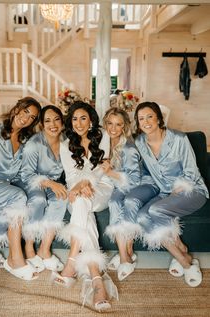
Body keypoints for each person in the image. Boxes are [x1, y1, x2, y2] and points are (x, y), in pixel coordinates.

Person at [134, 101, 209, 287]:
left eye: (150, 116)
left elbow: (192, 171)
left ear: (159, 118)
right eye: (141, 118)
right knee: (142, 216)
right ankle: (182, 251)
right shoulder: (139, 142)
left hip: (192, 189)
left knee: (157, 211)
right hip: (165, 193)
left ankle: (186, 264)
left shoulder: (178, 139)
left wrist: (179, 186)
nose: (146, 122)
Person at [53, 101, 118, 312]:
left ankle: (71, 261)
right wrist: (79, 186)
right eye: (74, 119)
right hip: (78, 191)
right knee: (81, 204)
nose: (79, 123)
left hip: (102, 188)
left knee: (83, 200)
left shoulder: (103, 137)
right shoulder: (65, 146)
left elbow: (102, 168)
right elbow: (71, 177)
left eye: (83, 118)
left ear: (91, 121)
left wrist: (86, 182)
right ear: (70, 123)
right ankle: (97, 280)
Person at [0, 96, 41, 280]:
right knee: (18, 197)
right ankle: (16, 260)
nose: (26, 118)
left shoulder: (25, 141)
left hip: (5, 188)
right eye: (25, 111)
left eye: (32, 117)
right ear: (16, 109)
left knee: (23, 198)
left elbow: (23, 173)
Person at [102, 107, 159, 281]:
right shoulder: (103, 143)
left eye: (118, 125)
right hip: (120, 184)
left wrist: (110, 172)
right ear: (105, 123)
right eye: (110, 123)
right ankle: (125, 253)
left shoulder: (128, 148)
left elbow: (133, 181)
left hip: (143, 183)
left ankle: (126, 257)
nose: (113, 128)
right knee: (113, 203)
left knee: (130, 201)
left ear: (124, 127)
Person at [21, 105, 67, 273]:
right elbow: (26, 175)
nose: (53, 124)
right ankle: (29, 247)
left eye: (56, 119)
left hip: (53, 183)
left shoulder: (67, 140)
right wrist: (50, 184)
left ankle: (44, 249)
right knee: (39, 200)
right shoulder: (34, 144)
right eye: (47, 121)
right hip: (32, 182)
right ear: (41, 124)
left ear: (62, 122)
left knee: (63, 197)